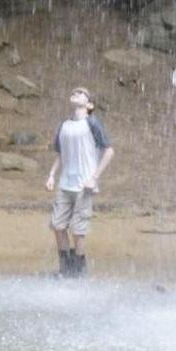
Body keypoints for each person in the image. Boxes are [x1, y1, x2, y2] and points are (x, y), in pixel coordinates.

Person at [46, 87, 115, 277]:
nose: (76, 93)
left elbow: (109, 151)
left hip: (84, 185)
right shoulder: (64, 125)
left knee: (78, 229)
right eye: (74, 92)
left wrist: (94, 178)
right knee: (58, 225)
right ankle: (65, 268)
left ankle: (79, 269)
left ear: (89, 104)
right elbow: (61, 154)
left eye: (81, 93)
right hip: (65, 184)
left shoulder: (92, 123)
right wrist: (51, 175)